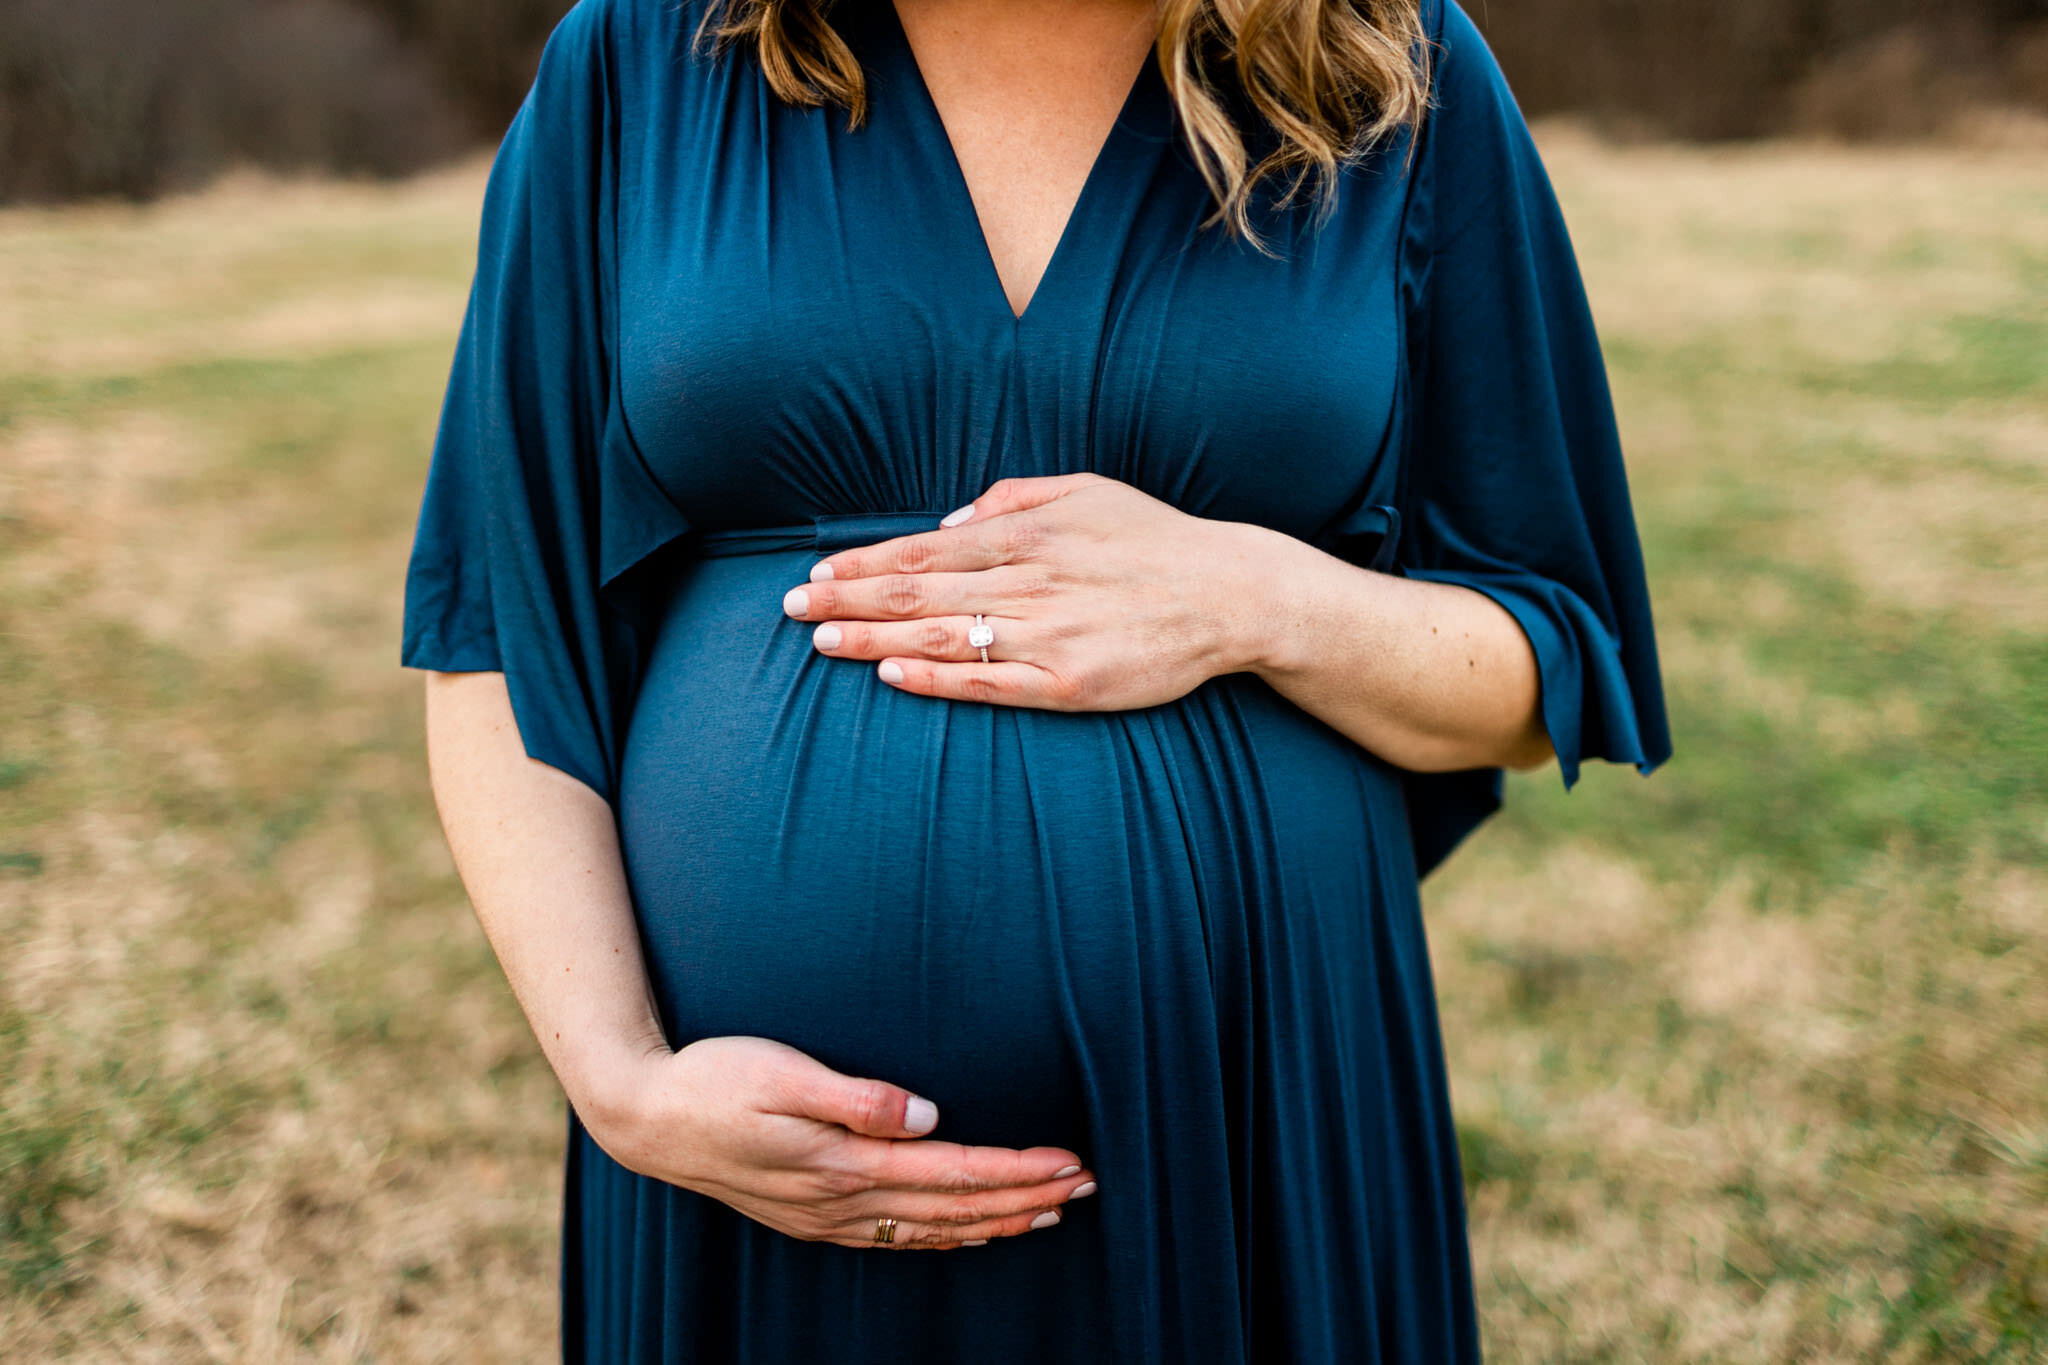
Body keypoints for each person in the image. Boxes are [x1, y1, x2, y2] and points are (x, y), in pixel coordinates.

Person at [400, 0, 1672, 1357]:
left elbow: (1548, 657)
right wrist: (617, 1075)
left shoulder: (1394, 66)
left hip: (1250, 1112)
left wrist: (1263, 600)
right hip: (750, 1170)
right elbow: (494, 629)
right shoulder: (640, 56)